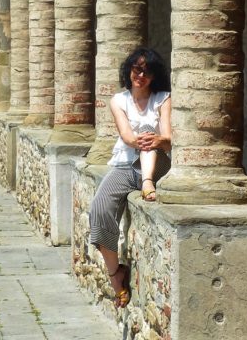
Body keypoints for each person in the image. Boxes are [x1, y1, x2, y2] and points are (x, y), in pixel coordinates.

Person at [88, 47, 171, 308]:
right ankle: (116, 276)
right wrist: (148, 138)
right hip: (125, 165)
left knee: (149, 130)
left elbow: (168, 139)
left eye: (147, 70)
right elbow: (126, 136)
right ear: (129, 71)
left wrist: (158, 139)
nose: (141, 74)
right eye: (137, 68)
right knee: (99, 209)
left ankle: (147, 181)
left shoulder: (163, 98)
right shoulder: (119, 100)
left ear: (155, 75)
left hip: (157, 165)